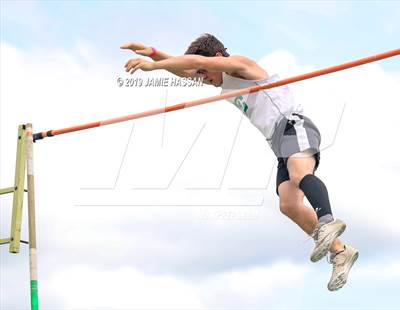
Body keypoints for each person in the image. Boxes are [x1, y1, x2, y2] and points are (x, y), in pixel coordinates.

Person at [121, 33, 359, 291]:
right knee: (288, 204)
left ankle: (327, 222)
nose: (203, 78)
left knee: (299, 174)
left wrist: (156, 65)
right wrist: (153, 52)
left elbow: (193, 63)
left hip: (292, 125)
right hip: (278, 143)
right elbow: (187, 68)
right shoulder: (221, 79)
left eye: (205, 71)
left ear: (217, 58)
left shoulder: (241, 65)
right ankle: (340, 251)